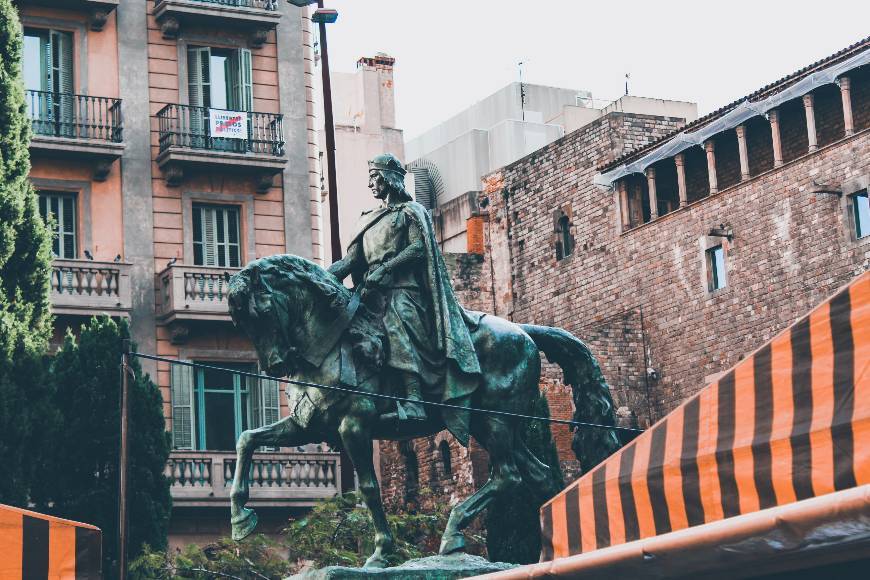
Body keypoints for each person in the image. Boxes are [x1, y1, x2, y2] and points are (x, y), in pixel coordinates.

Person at [328, 154, 480, 430]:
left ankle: (414, 400)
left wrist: (387, 268)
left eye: (375, 177)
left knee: (394, 321)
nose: (371, 184)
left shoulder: (410, 212)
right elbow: (351, 261)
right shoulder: (367, 220)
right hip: (370, 292)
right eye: (370, 178)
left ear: (389, 179)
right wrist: (323, 276)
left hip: (404, 290)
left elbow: (418, 248)